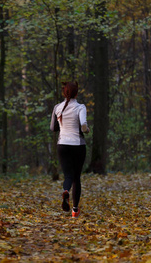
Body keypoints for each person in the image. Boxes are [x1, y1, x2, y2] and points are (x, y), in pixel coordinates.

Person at [50, 81, 90, 218]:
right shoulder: (80, 107)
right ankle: (74, 210)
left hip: (62, 145)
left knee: (68, 175)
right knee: (76, 178)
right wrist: (86, 129)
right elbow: (83, 125)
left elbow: (53, 128)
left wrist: (63, 125)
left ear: (64, 93)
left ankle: (66, 191)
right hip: (78, 145)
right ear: (76, 93)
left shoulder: (57, 108)